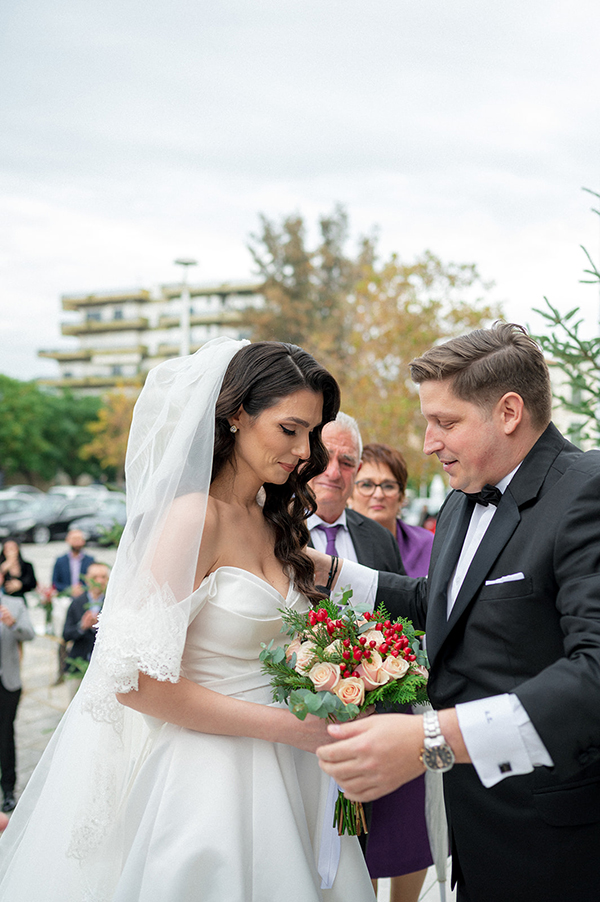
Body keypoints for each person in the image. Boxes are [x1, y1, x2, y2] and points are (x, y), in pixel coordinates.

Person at [0, 337, 376, 901]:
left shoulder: (273, 521)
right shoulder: (190, 519)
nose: (304, 451)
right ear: (236, 415)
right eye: (289, 429)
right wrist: (286, 726)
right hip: (209, 782)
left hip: (294, 770)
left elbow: (323, 610)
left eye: (312, 433)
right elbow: (134, 682)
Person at [313, 323, 600, 902]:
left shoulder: (586, 491)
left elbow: (594, 673)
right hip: (475, 831)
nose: (428, 443)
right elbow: (439, 605)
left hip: (557, 840)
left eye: (445, 422)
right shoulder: (461, 498)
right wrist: (328, 572)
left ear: (509, 412)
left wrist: (428, 739)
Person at [351, 444, 437, 902]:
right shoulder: (342, 546)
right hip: (356, 701)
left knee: (410, 821)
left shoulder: (428, 545)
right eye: (367, 483)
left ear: (403, 496)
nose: (377, 493)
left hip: (414, 698)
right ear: (351, 490)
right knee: (361, 825)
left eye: (389, 485)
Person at [0, 585, 35, 813]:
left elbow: (30, 634)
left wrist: (13, 623)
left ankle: (8, 790)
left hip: (8, 681)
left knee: (5, 734)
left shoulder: (15, 604)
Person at [62, 563, 110, 698]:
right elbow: (66, 634)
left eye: (103, 577)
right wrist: (82, 626)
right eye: (95, 577)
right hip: (78, 663)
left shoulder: (111, 602)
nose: (99, 581)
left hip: (103, 668)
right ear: (87, 579)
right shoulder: (77, 603)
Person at [51, 529, 95, 597]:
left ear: (83, 541)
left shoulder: (90, 560)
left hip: (84, 596)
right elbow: (55, 583)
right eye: (74, 539)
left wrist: (82, 589)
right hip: (65, 597)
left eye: (79, 539)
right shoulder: (60, 561)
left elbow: (93, 581)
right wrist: (70, 590)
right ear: (67, 540)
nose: (76, 542)